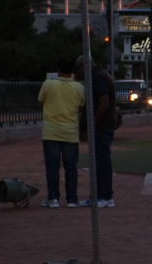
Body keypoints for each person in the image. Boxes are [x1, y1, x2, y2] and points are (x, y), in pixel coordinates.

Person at [37, 57, 85, 207]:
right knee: (71, 167)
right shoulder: (79, 87)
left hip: (51, 131)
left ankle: (53, 198)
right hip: (70, 132)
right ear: (72, 71)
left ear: (58, 70)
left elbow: (40, 102)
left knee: (52, 166)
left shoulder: (48, 84)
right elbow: (81, 106)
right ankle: (71, 199)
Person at [75, 57, 116, 208]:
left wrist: (92, 122)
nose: (77, 71)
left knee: (102, 161)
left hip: (102, 127)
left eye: (78, 68)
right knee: (98, 161)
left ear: (84, 66)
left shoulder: (98, 78)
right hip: (104, 125)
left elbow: (104, 103)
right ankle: (98, 195)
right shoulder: (101, 75)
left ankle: (106, 196)